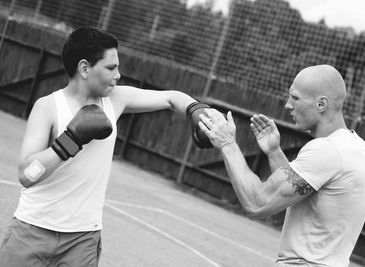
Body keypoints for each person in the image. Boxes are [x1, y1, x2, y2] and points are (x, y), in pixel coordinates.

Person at [0, 26, 211, 266]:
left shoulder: (116, 100)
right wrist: (70, 141)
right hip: (32, 230)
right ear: (84, 68)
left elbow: (171, 98)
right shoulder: (48, 107)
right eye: (111, 67)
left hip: (82, 239)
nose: (118, 74)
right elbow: (27, 175)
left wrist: (196, 109)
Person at [198, 64, 365, 266]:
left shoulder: (327, 150)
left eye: (296, 98)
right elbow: (300, 195)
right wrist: (274, 152)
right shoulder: (356, 146)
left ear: (321, 104)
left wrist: (227, 144)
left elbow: (258, 203)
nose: (288, 105)